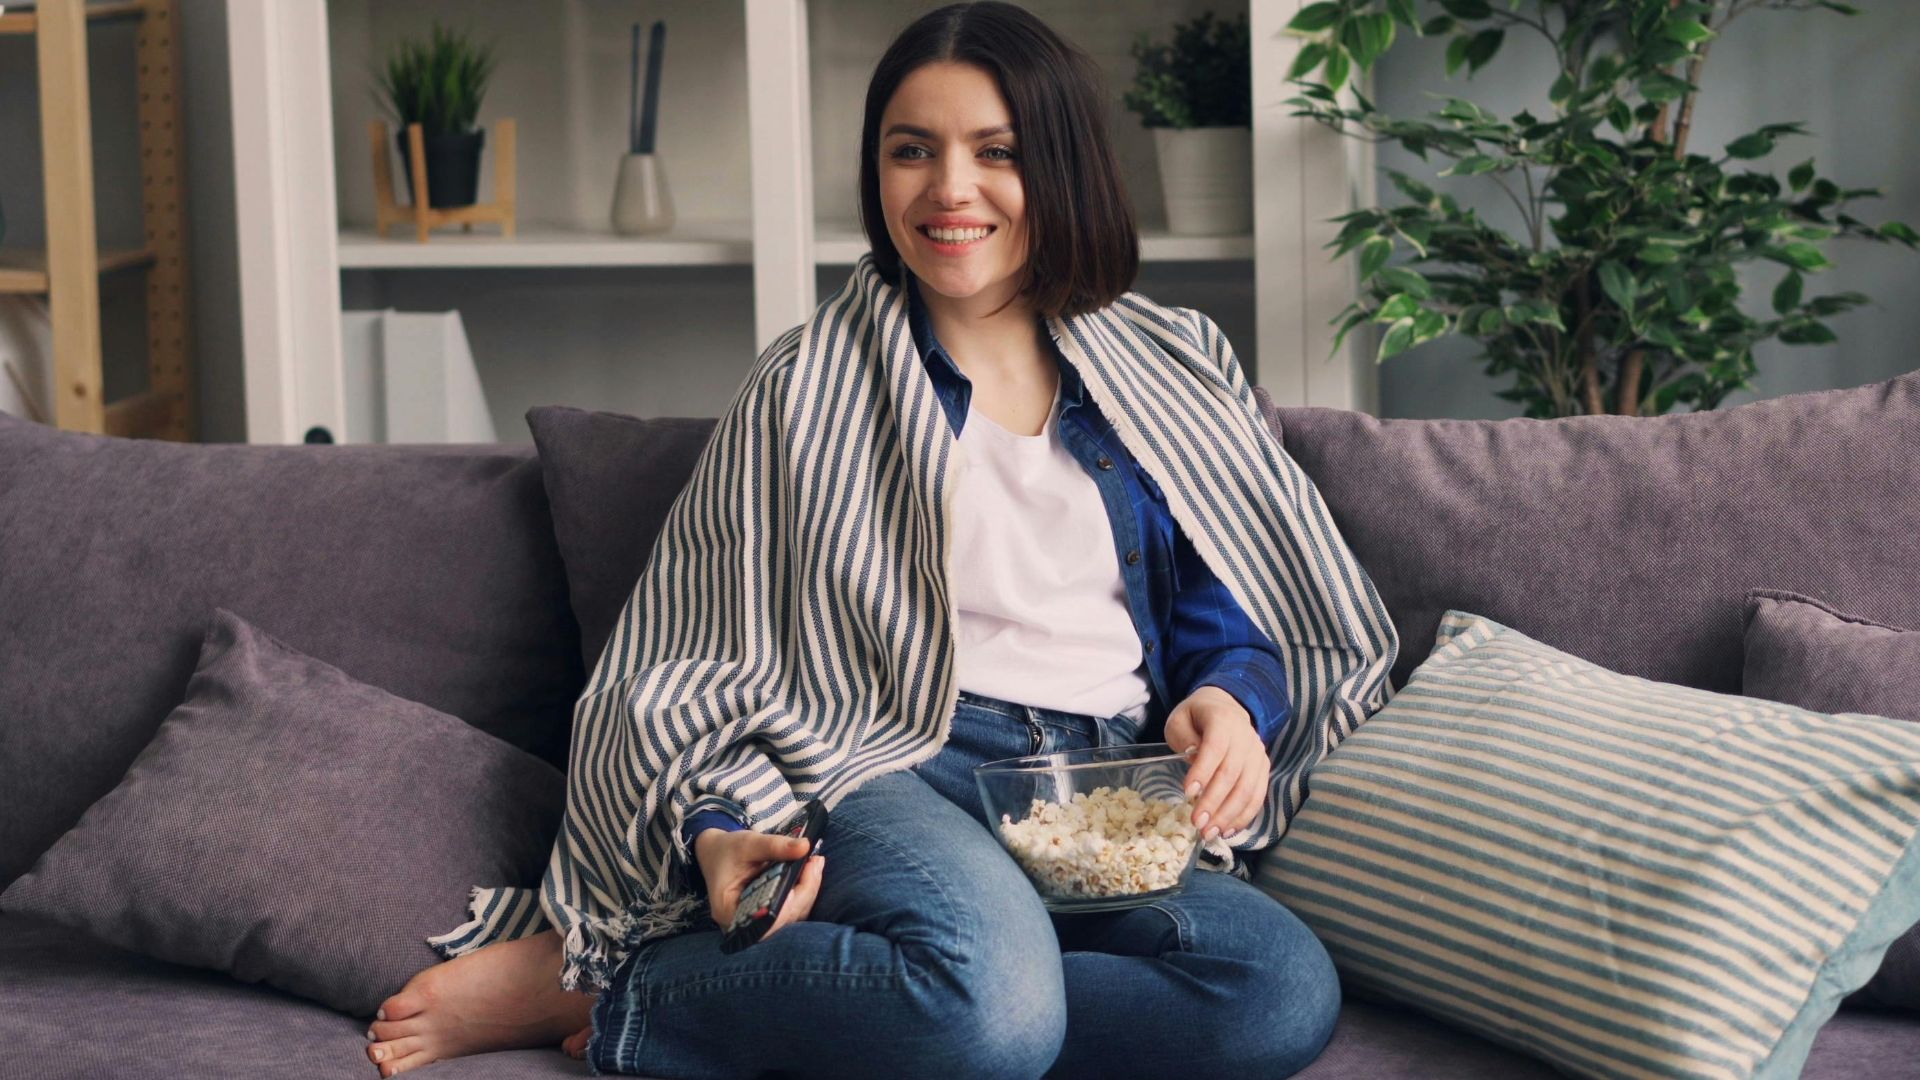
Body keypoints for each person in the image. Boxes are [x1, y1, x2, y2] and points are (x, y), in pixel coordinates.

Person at [360, 4, 1397, 1078]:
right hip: (897, 764)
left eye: (997, 152)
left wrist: (1230, 699)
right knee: (986, 1017)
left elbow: (1234, 603)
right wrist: (717, 831)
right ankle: (629, 992)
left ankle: (879, 985)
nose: (950, 188)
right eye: (913, 150)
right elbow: (703, 657)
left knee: (1273, 997)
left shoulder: (1168, 359)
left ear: (1064, 169)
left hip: (1105, 786)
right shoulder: (807, 383)